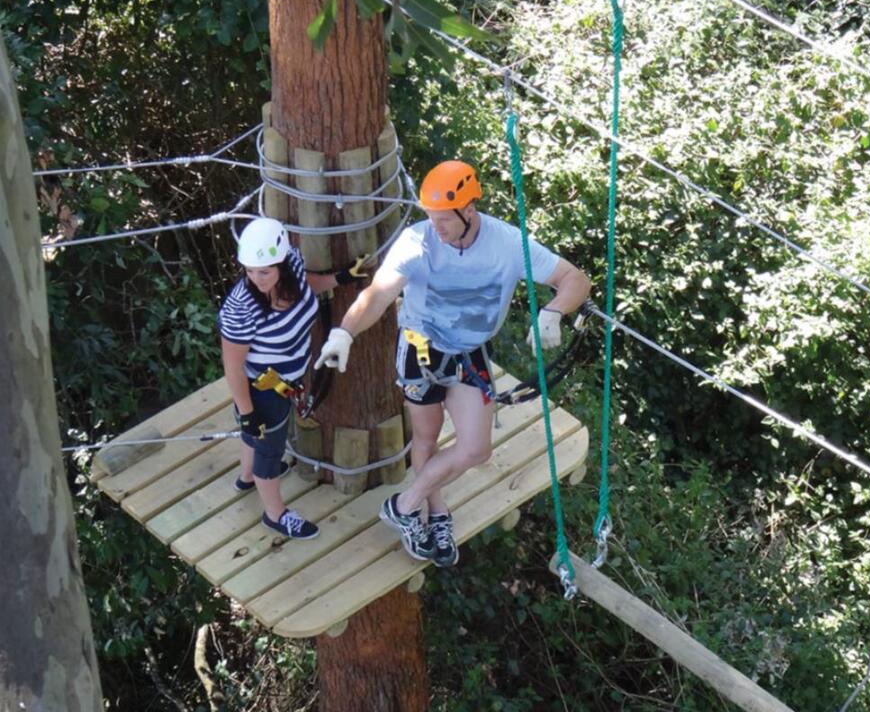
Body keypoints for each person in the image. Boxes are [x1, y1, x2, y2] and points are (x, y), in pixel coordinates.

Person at [314, 160, 591, 567]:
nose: (437, 228)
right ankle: (435, 513)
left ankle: (405, 505)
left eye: (444, 219)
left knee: (476, 449)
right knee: (425, 438)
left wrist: (553, 312)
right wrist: (344, 332)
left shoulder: (508, 244)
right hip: (421, 350)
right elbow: (377, 294)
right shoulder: (417, 242)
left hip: (469, 353)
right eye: (431, 218)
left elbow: (575, 279)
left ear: (469, 211)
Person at [219, 217, 367, 540]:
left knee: (261, 444)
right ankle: (275, 514)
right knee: (270, 452)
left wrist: (340, 278)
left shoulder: (294, 265)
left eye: (264, 271)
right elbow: (233, 366)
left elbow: (307, 284)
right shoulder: (241, 307)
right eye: (250, 271)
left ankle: (247, 476)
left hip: (286, 381)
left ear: (282, 263)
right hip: (262, 390)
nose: (256, 279)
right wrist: (247, 414)